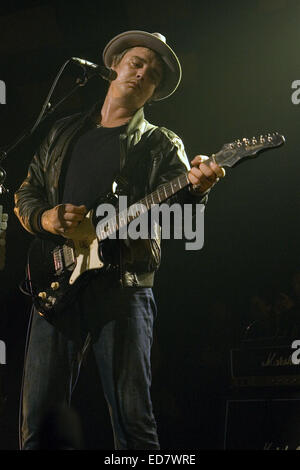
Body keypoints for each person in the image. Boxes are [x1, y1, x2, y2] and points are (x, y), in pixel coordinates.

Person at [14, 31, 225, 450]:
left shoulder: (162, 143)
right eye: (138, 61)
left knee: (134, 425)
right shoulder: (63, 130)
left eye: (154, 73)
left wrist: (199, 188)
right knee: (38, 425)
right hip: (56, 285)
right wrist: (48, 217)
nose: (144, 72)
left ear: (154, 91)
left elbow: (181, 217)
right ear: (114, 66)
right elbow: (26, 192)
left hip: (124, 289)